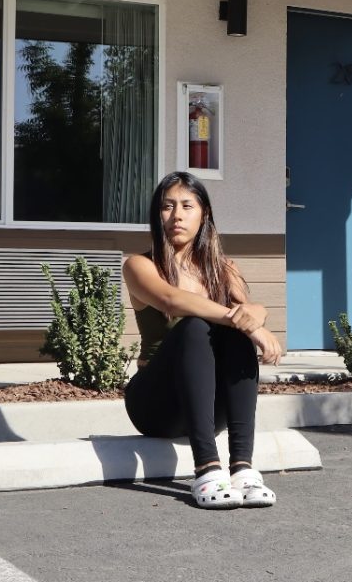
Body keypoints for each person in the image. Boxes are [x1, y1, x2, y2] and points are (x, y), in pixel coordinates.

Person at [122, 171, 284, 509]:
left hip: (210, 407)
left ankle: (243, 470)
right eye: (167, 206)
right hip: (156, 404)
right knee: (197, 326)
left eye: (186, 205)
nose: (176, 215)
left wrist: (258, 314)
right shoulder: (140, 265)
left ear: (204, 214)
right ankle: (208, 471)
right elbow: (170, 300)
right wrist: (240, 319)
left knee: (236, 334)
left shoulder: (222, 267)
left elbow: (249, 310)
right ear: (157, 214)